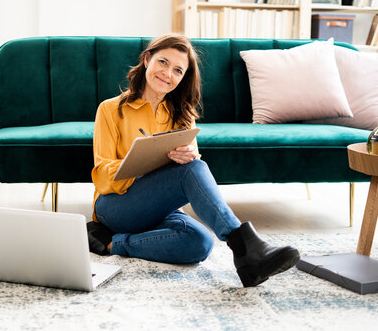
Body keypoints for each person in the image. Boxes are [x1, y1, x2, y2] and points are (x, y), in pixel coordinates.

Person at [87, 34, 300, 287]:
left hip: (159, 209)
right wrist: (143, 162)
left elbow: (193, 174)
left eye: (178, 70)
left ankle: (113, 243)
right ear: (147, 60)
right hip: (115, 207)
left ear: (183, 78)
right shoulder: (110, 109)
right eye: (163, 62)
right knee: (193, 170)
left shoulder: (183, 116)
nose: (168, 74)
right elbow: (101, 176)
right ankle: (246, 248)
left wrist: (184, 158)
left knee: (201, 242)